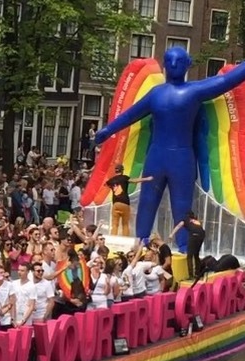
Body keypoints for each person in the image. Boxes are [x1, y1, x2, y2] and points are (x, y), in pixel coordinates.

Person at [95, 47, 245, 251]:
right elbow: (130, 115)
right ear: (164, 65)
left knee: (181, 205)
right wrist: (108, 130)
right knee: (148, 201)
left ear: (187, 65)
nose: (173, 65)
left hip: (178, 158)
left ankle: (183, 246)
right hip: (162, 157)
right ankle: (142, 243)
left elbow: (228, 81)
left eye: (178, 61)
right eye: (170, 61)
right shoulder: (159, 94)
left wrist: (108, 130)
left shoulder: (193, 91)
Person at [105, 164, 153, 236]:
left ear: (115, 171)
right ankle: (125, 238)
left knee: (115, 224)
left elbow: (105, 184)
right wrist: (146, 179)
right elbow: (134, 180)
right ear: (122, 171)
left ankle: (113, 237)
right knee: (125, 224)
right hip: (125, 203)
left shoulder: (111, 180)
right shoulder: (124, 178)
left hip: (115, 204)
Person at [169, 211, 206, 280]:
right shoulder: (196, 221)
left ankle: (191, 275)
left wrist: (171, 234)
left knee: (189, 256)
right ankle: (198, 273)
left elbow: (178, 226)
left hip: (194, 235)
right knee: (196, 255)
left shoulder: (185, 220)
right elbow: (200, 229)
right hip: (202, 235)